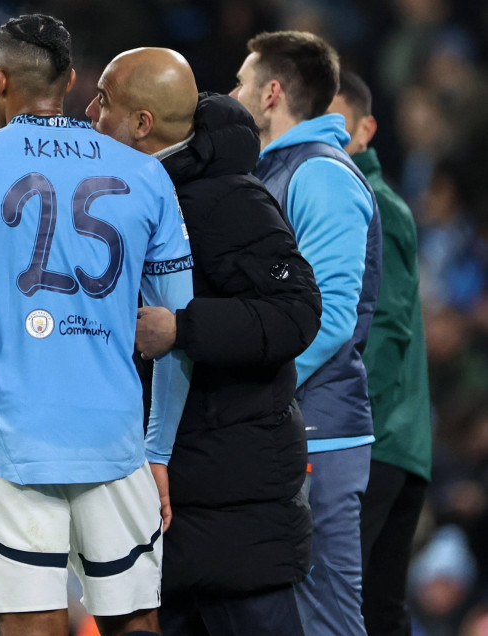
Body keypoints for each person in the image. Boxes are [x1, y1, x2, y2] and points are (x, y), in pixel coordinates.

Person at [0, 15, 194, 636]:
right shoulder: (148, 174)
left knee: (33, 625)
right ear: (72, 81)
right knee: (136, 622)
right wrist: (157, 449)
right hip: (115, 437)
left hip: (10, 441)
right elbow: (176, 328)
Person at [86, 47, 321, 635]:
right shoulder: (134, 197)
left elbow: (296, 312)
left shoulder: (228, 199)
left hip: (234, 504)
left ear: (142, 124)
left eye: (104, 100)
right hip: (178, 495)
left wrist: (184, 328)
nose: (90, 111)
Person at [229, 31, 382, 636]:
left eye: (242, 81)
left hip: (316, 430)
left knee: (325, 614)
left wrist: (254, 392)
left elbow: (330, 316)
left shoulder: (319, 175)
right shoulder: (279, 170)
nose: (233, 92)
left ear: (271, 93)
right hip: (288, 426)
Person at [328, 69, 433, 636]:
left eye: (336, 118)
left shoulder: (371, 204)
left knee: (341, 602)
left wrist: (340, 418)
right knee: (380, 609)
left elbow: (387, 333)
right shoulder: (369, 199)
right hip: (400, 439)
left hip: (375, 440)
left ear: (367, 129)